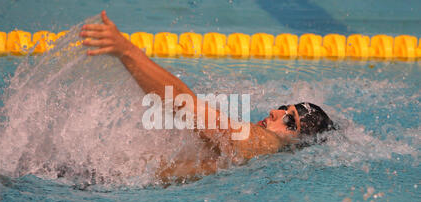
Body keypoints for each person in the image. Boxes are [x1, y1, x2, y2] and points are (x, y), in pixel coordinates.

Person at [79, 11, 335, 182]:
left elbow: (187, 106)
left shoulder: (265, 143)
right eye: (283, 108)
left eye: (290, 121)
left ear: (300, 142)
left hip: (101, 183)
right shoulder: (264, 153)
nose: (274, 113)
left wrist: (128, 52)